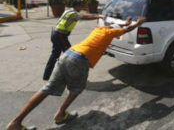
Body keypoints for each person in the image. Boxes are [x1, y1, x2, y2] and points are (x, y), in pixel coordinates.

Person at [6, 17, 146, 130]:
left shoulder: (98, 29)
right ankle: (60, 114)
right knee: (76, 89)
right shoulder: (110, 33)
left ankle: (15, 123)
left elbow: (118, 26)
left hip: (68, 54)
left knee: (47, 88)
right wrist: (137, 23)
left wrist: (124, 22)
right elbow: (126, 29)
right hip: (79, 60)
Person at [43, 0, 105, 81]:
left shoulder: (68, 11)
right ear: (76, 6)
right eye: (80, 6)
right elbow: (85, 17)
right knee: (71, 56)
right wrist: (99, 16)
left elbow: (82, 15)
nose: (82, 8)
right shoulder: (73, 14)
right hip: (60, 36)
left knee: (55, 55)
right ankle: (70, 76)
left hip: (55, 34)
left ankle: (47, 75)